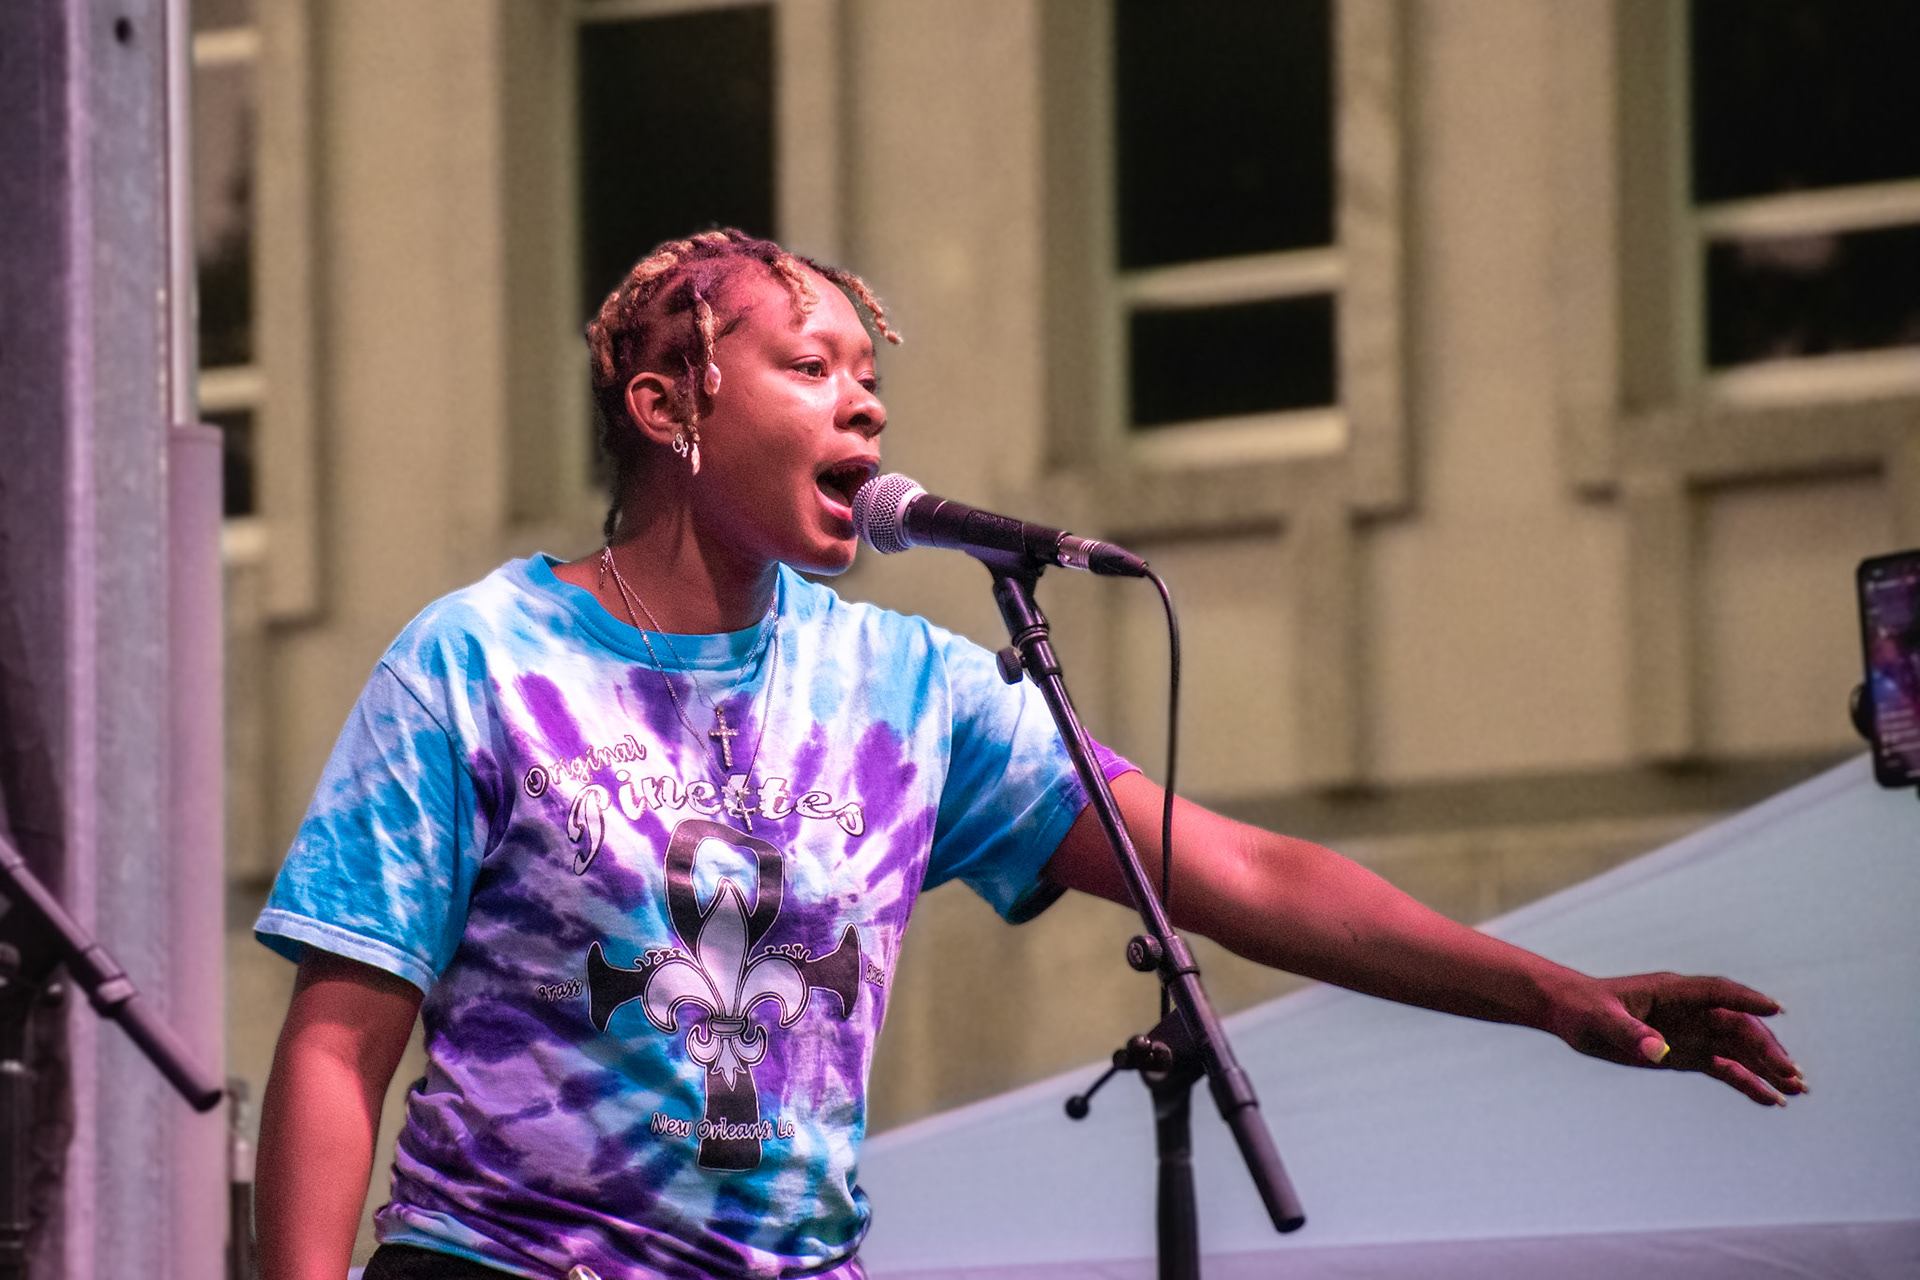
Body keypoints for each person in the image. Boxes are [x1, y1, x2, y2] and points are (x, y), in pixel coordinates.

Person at [253, 229, 1804, 1280]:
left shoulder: (907, 686)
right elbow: (339, 1046)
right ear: (668, 405)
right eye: (808, 366)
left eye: (871, 375)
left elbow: (1238, 869)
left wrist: (1552, 993)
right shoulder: (481, 661)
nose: (859, 399)